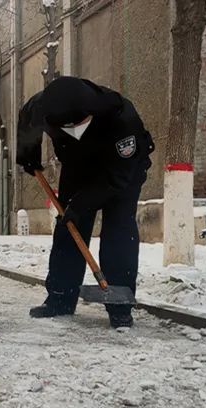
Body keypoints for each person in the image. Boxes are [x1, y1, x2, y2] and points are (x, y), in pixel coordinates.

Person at [17, 76, 154, 328]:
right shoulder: (42, 107)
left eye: (77, 125)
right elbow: (26, 119)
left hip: (121, 171)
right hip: (78, 167)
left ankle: (120, 304)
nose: (72, 130)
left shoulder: (121, 118)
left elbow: (117, 179)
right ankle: (60, 298)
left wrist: (80, 205)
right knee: (68, 228)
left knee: (118, 229)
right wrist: (28, 154)